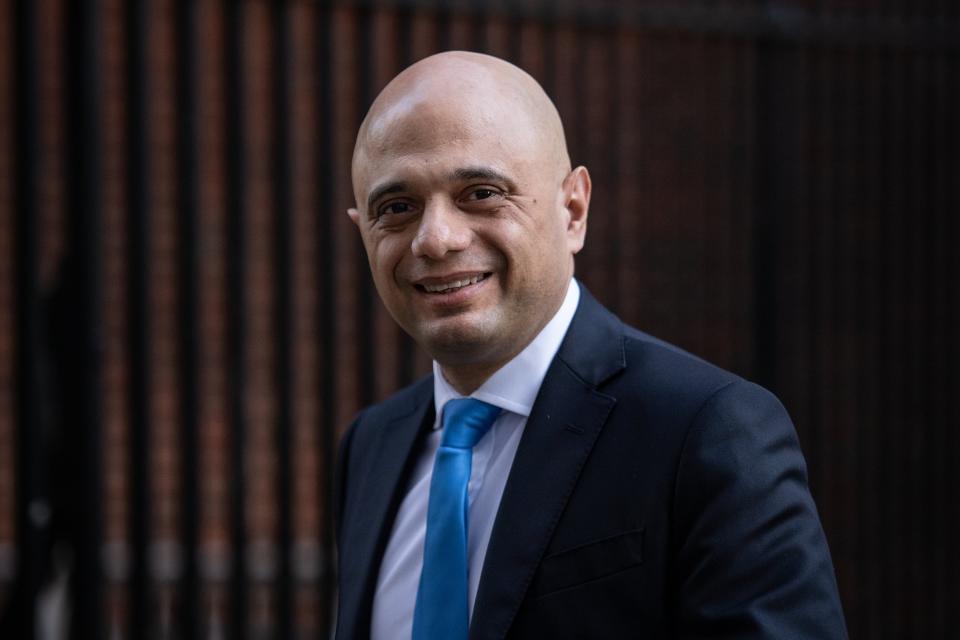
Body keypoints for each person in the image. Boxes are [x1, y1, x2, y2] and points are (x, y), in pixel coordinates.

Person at [334, 51, 847, 639]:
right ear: (362, 230)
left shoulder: (706, 432)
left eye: (480, 192)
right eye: (396, 208)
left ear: (573, 209)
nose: (436, 238)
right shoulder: (371, 446)